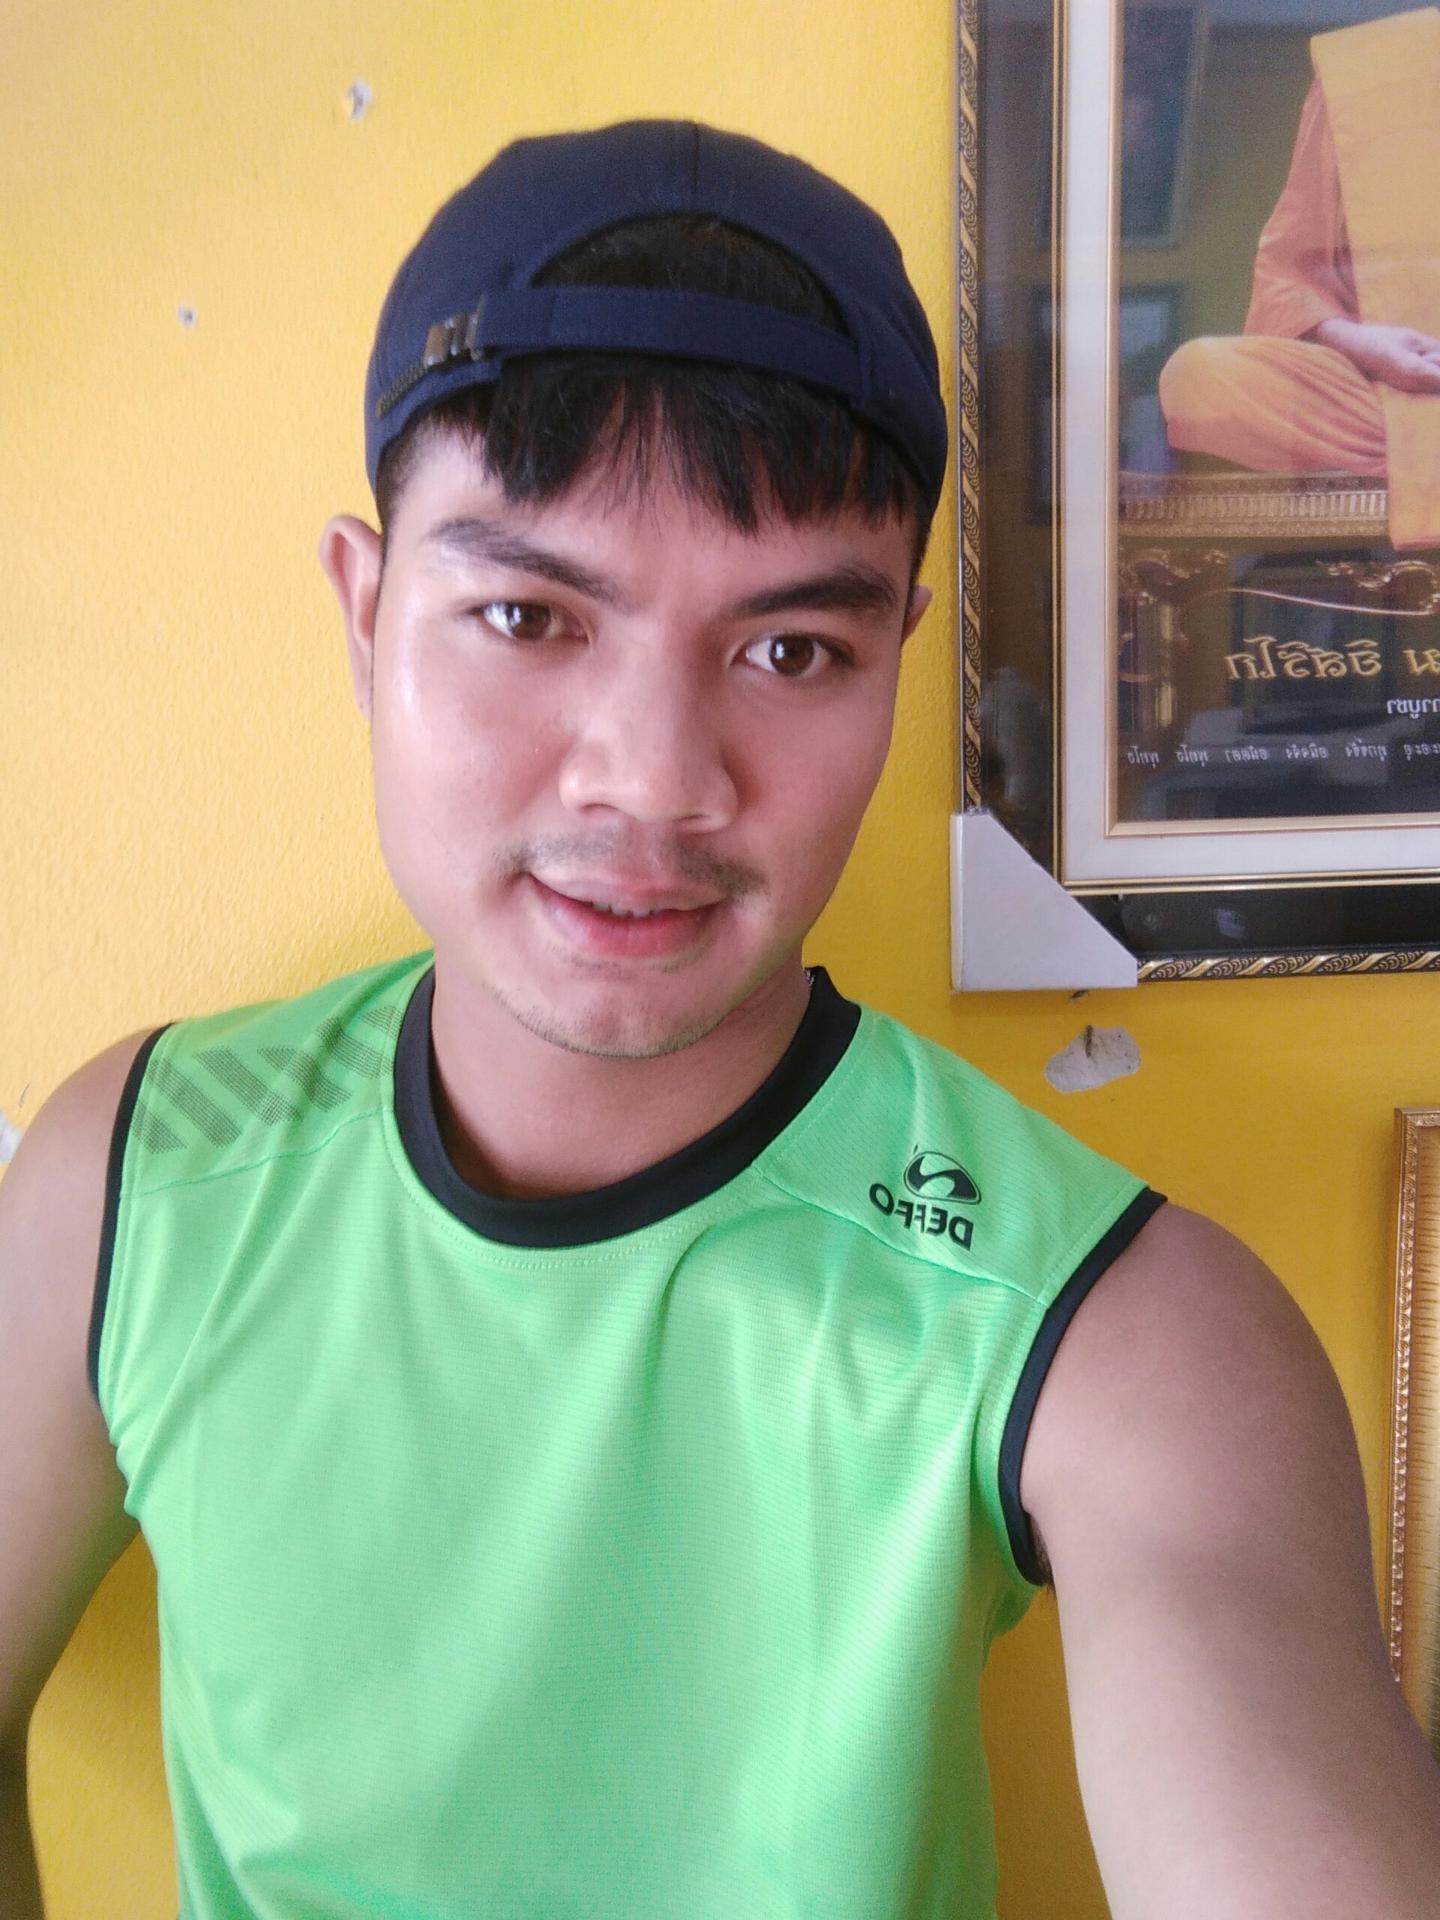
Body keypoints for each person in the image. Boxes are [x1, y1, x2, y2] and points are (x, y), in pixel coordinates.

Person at [3, 119, 1439, 1920]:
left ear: (899, 655)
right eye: (525, 614)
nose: (654, 780)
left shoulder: (1113, 1328)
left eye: (789, 651)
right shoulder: (136, 1179)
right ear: (365, 621)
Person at [1158, 7, 1440, 549]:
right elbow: (1290, 271)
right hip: (1394, 397)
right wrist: (1362, 343)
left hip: (1415, 422)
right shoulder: (1369, 70)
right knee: (1199, 375)